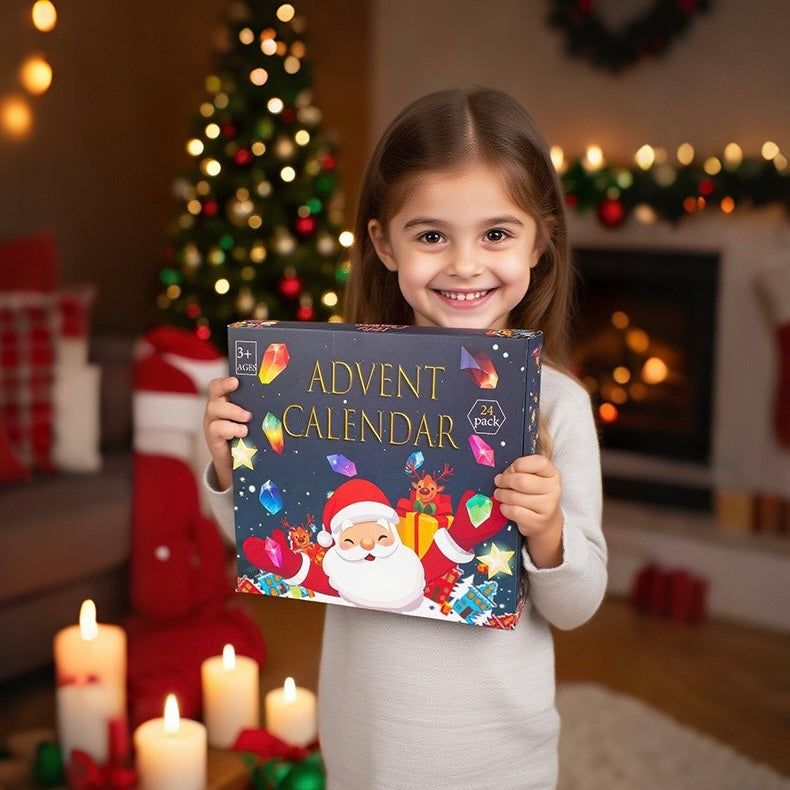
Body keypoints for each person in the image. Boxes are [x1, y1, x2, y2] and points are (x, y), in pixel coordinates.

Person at [203, 87, 607, 789]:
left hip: (500, 764)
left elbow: (576, 607)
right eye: (430, 236)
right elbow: (261, 545)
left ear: (540, 241)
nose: (464, 264)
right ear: (384, 245)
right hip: (363, 752)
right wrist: (226, 463)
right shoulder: (321, 390)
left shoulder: (560, 406)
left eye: (496, 233)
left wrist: (548, 533)